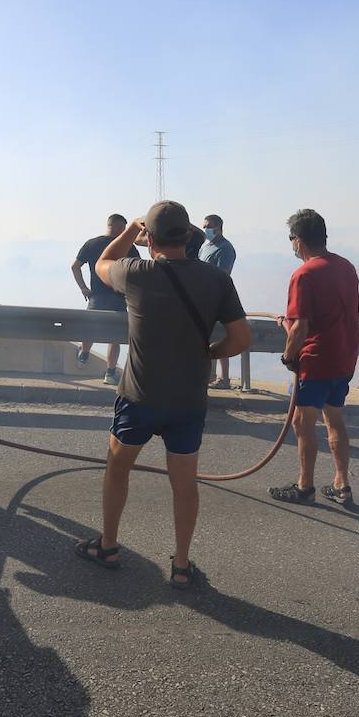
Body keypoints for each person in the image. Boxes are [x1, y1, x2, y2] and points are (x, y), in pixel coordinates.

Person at [73, 201, 251, 589]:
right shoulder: (215, 280)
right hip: (188, 401)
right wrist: (209, 353)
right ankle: (183, 566)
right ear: (189, 236)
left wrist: (127, 231)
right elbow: (240, 339)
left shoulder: (136, 272)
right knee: (184, 485)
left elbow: (104, 262)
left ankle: (108, 546)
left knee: (117, 472)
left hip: (139, 396)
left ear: (148, 238)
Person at [269, 209, 359, 507]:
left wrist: (287, 355)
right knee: (335, 419)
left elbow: (300, 327)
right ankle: (342, 485)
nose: (292, 245)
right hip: (344, 359)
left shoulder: (303, 274)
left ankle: (304, 485)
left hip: (316, 361)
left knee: (302, 421)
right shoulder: (346, 267)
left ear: (299, 241)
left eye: (291, 239)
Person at [71, 214, 139, 385]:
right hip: (119, 297)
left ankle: (84, 355)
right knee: (114, 337)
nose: (125, 233)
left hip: (97, 296)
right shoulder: (128, 247)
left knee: (91, 329)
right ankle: (109, 373)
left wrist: (83, 288)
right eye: (123, 229)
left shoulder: (91, 243)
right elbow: (137, 271)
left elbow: (75, 266)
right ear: (118, 227)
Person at [201, 214, 239, 389]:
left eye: (209, 226)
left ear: (219, 227)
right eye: (205, 226)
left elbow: (224, 276)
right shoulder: (205, 246)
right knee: (209, 338)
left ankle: (224, 379)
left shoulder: (225, 249)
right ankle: (211, 376)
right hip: (203, 299)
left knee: (221, 337)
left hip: (218, 299)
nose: (206, 230)